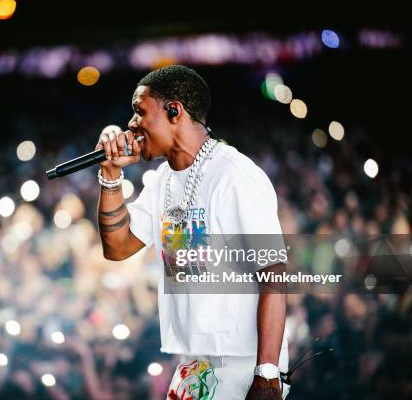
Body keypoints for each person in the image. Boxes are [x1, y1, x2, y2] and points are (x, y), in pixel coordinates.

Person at [95, 65, 289, 399]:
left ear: (175, 111)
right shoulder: (162, 181)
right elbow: (118, 247)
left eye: (140, 112)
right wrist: (110, 174)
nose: (131, 124)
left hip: (240, 363)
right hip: (193, 362)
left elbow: (274, 272)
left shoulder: (233, 175)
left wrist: (267, 374)